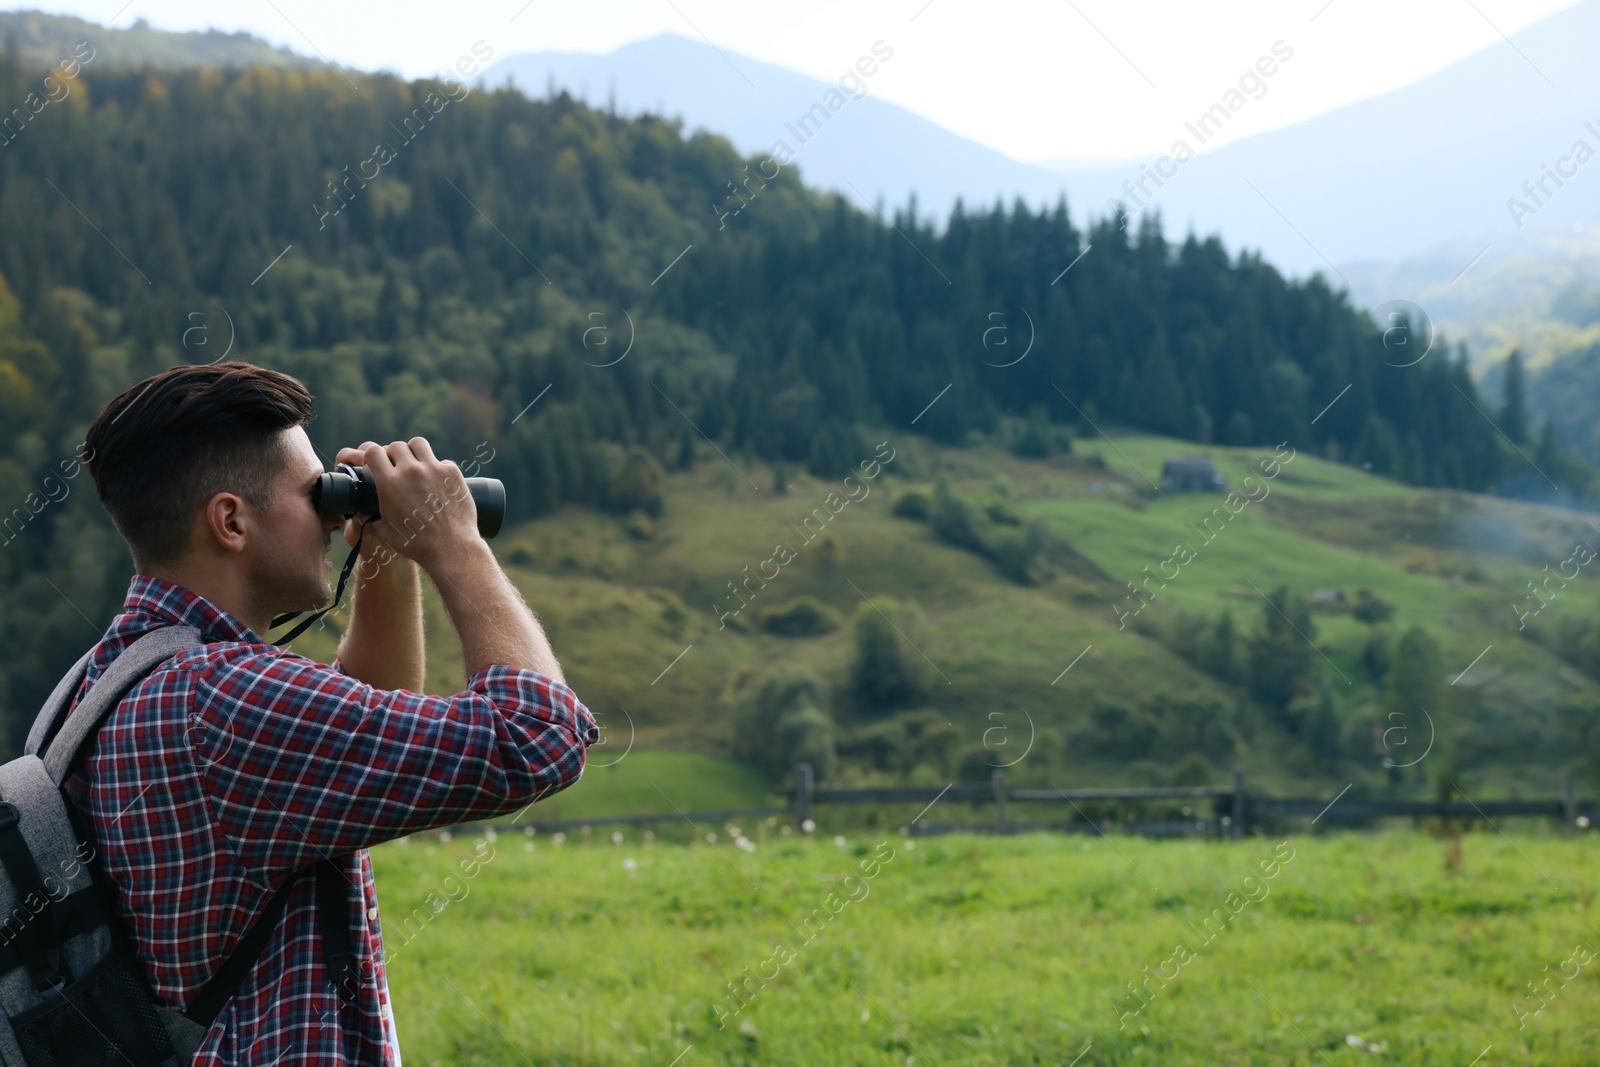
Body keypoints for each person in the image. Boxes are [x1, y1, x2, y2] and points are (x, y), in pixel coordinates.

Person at [64, 361, 597, 1065]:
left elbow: (366, 723)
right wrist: (456, 543)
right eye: (315, 492)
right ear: (230, 520)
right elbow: (538, 737)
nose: (330, 513)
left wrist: (385, 551)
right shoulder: (221, 701)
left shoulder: (106, 681)